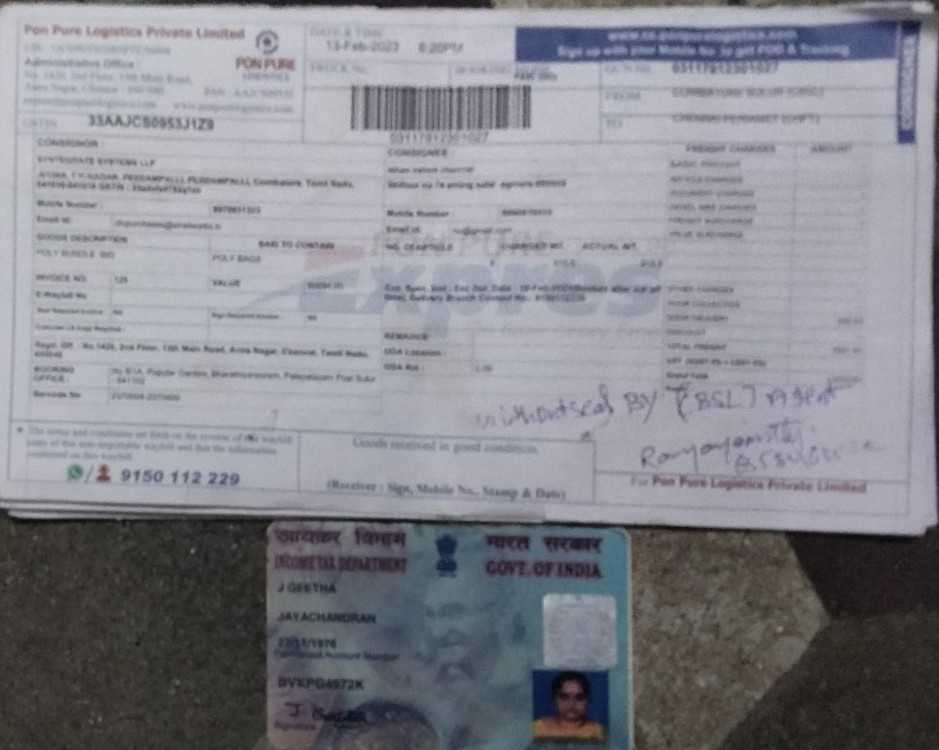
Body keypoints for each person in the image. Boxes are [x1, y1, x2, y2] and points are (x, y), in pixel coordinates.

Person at [532, 672, 605, 742]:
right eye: (564, 697)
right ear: (554, 700)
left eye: (579, 697)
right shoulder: (537, 729)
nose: (571, 704)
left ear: (588, 700)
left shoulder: (598, 733)